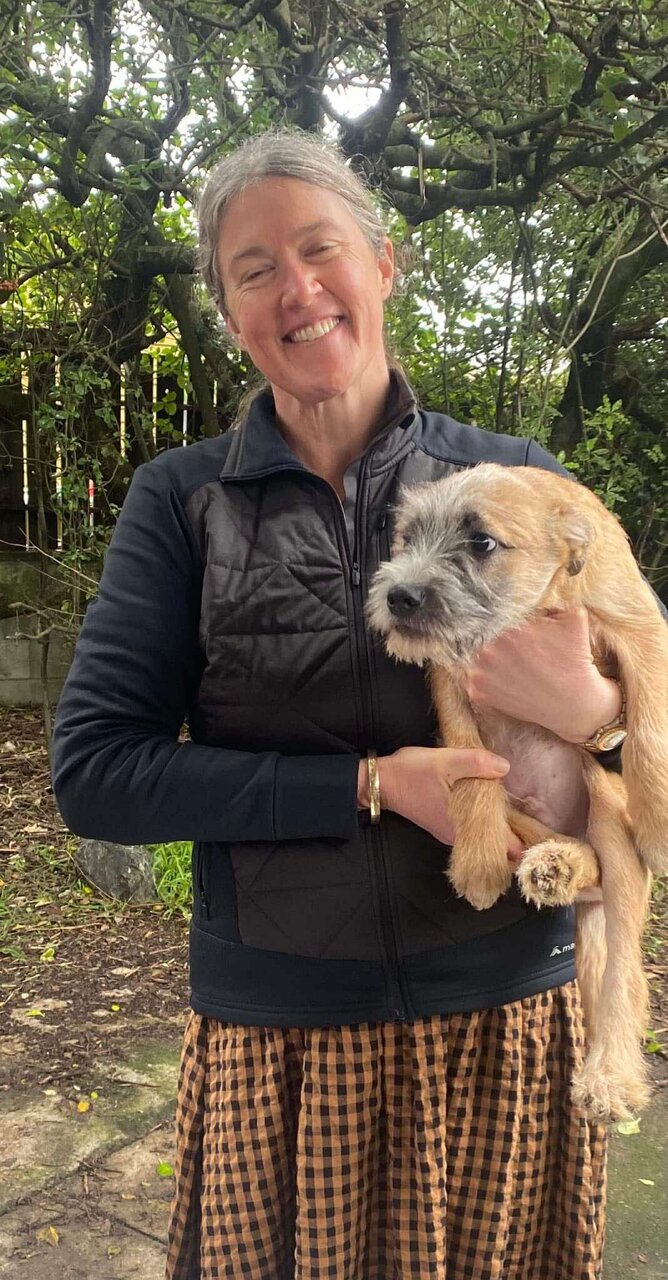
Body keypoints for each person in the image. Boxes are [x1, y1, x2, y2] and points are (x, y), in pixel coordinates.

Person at [51, 129, 629, 1280]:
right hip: (279, 1038)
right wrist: (368, 785)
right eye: (254, 268)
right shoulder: (183, 503)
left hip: (504, 1017)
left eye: (320, 249)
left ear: (382, 263)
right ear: (228, 311)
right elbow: (96, 774)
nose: (296, 288)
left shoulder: (515, 479)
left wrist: (592, 707)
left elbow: (646, 710)